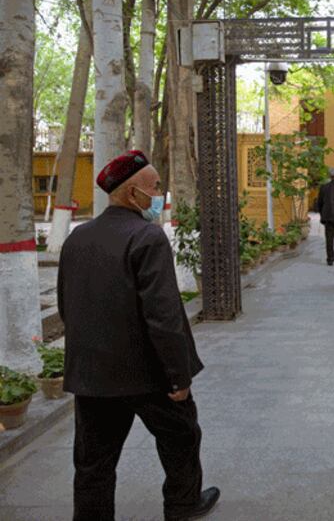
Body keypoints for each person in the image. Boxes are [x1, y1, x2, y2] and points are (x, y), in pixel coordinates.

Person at [58, 151, 220, 521]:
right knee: (181, 438)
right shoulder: (147, 236)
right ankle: (183, 505)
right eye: (156, 187)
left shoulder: (77, 237)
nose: (160, 194)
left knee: (93, 461)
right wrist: (178, 377)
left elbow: (69, 307)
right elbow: (162, 316)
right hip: (147, 374)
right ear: (133, 195)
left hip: (93, 376)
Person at [316, 167, 334, 265]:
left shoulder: (324, 187)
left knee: (329, 238)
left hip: (328, 216)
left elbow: (319, 203)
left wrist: (321, 213)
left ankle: (330, 259)